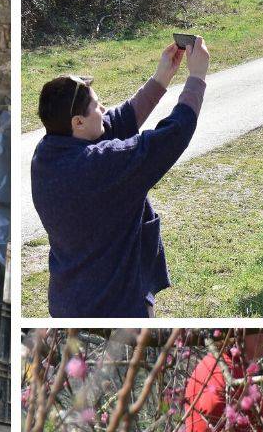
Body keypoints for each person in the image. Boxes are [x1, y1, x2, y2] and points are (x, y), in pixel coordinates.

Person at [31, 38, 210, 317]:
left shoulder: (47, 154)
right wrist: (196, 78)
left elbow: (115, 123)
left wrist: (162, 78)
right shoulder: (98, 167)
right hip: (117, 306)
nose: (104, 110)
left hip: (69, 302)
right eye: (97, 106)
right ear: (77, 122)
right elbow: (170, 137)